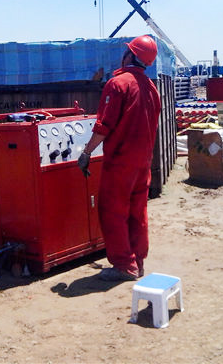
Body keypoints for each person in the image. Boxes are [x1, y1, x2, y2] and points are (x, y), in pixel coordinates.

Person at [78, 35, 161, 281]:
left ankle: (124, 265)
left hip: (120, 162)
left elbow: (104, 126)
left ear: (130, 55)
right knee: (137, 213)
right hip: (143, 164)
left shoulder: (117, 84)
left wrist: (86, 152)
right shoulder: (152, 88)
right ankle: (138, 262)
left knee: (112, 211)